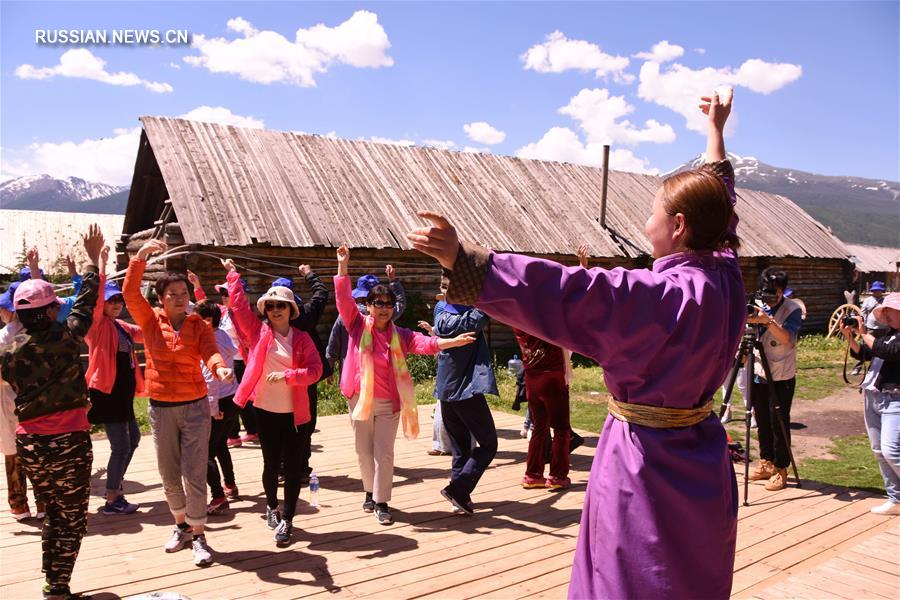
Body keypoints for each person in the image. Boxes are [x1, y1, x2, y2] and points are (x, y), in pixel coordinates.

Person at [408, 89, 743, 599]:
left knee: (633, 575)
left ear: (678, 227)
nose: (644, 222)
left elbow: (569, 292)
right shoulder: (726, 276)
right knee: (694, 574)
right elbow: (722, 205)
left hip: (645, 466)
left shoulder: (656, 299)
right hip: (703, 463)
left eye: (652, 212)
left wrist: (467, 261)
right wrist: (715, 135)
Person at [334, 245, 475, 525]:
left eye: (388, 304)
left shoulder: (402, 335)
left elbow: (427, 344)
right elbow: (342, 300)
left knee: (384, 453)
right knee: (364, 451)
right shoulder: (357, 325)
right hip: (359, 399)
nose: (384, 308)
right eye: (379, 303)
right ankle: (368, 491)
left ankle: (381, 501)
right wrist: (343, 265)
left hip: (389, 403)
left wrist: (453, 341)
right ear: (369, 306)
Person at [1, 224, 104, 600]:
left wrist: (34, 277)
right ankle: (57, 586)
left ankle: (53, 580)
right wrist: (93, 261)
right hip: (68, 443)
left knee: (53, 515)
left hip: (29, 445)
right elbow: (87, 300)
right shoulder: (68, 336)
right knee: (72, 518)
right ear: (51, 310)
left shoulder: (10, 353)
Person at [123, 239, 233, 567]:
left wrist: (220, 367)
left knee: (194, 472)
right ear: (160, 298)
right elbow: (130, 294)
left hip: (196, 406)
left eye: (184, 294)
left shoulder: (199, 324)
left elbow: (210, 351)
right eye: (173, 294)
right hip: (161, 408)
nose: (181, 299)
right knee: (169, 474)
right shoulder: (149, 320)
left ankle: (199, 535)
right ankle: (181, 526)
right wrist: (140, 258)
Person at [226, 260, 323, 546]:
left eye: (281, 305)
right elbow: (240, 308)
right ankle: (271, 505)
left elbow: (315, 371)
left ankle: (288, 519)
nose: (276, 309)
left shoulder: (303, 339)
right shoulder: (258, 334)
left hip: (296, 414)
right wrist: (233, 275)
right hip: (266, 411)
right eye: (270, 306)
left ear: (292, 310)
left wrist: (289, 375)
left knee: (293, 470)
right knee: (271, 466)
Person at [85, 257, 146, 516]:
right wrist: (100, 268)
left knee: (133, 440)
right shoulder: (97, 325)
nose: (117, 304)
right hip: (107, 395)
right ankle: (112, 497)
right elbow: (95, 301)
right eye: (112, 300)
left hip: (122, 397)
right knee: (121, 446)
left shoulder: (121, 326)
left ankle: (115, 483)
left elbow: (147, 331)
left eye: (119, 300)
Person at [433, 302, 498, 513]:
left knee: (460, 447)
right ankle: (458, 490)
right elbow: (490, 302)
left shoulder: (439, 312)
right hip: (466, 391)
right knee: (488, 445)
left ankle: (459, 500)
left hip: (445, 391)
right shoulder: (472, 320)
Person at [746, 267, 803, 492]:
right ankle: (766, 461)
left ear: (782, 290)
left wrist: (767, 321)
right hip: (759, 371)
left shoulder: (792, 309)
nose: (771, 296)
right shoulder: (758, 304)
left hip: (781, 375)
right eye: (767, 291)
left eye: (775, 292)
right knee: (761, 420)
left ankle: (781, 468)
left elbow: (787, 339)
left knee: (778, 421)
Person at [843, 293, 900, 515]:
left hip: (895, 399)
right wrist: (851, 338)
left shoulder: (891, 340)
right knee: (878, 450)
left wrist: (864, 333)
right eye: (884, 311)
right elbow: (865, 353)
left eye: (890, 310)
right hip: (874, 397)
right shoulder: (888, 334)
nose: (885, 314)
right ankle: (896, 499)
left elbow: (889, 352)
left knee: (891, 450)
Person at [188, 270, 257, 448]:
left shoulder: (242, 315)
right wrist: (197, 286)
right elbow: (203, 309)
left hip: (243, 359)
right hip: (229, 360)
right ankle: (233, 433)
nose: (224, 297)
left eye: (228, 293)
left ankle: (251, 429)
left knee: (243, 397)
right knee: (232, 394)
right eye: (223, 294)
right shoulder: (224, 312)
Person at [280, 264, 332, 476]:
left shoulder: (271, 323)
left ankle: (284, 467)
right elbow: (322, 292)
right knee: (306, 422)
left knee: (283, 422)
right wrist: (309, 274)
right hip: (307, 377)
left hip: (283, 378)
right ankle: (301, 467)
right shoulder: (306, 315)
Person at [0, 281, 45, 521]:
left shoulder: (4, 336)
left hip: (9, 402)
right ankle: (43, 503)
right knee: (38, 453)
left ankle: (19, 505)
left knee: (13, 454)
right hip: (35, 402)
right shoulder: (43, 333)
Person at [193, 300, 240, 515]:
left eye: (196, 318)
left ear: (207, 320)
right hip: (231, 398)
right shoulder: (222, 335)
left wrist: (212, 409)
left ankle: (218, 496)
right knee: (221, 445)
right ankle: (230, 485)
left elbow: (209, 378)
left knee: (205, 453)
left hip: (217, 403)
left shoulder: (209, 339)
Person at [514, 328, 572, 490]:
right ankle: (558, 476)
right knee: (561, 428)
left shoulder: (517, 320)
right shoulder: (545, 319)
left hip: (532, 376)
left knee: (539, 427)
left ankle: (533, 475)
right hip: (553, 375)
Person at [326, 266, 407, 374]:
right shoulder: (385, 314)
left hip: (351, 371)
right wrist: (393, 281)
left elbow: (334, 341)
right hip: (380, 371)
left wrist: (329, 366)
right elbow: (400, 304)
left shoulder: (346, 315)